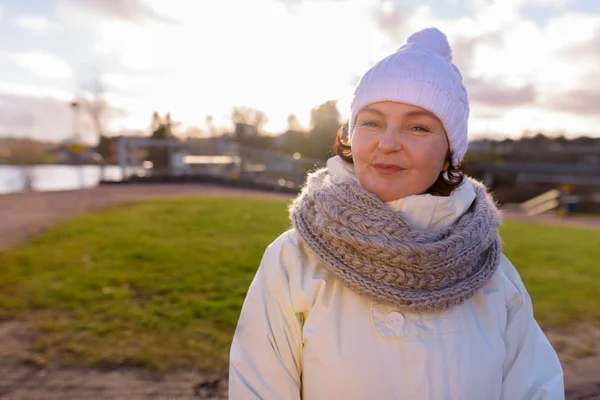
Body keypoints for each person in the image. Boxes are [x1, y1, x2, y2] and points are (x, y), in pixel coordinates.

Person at [229, 27, 564, 399]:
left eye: (418, 127)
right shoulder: (293, 261)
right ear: (350, 135)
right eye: (371, 122)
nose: (387, 144)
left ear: (450, 152)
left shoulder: (493, 275)